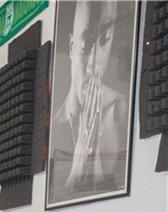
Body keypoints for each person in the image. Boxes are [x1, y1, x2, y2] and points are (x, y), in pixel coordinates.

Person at [49, 1, 128, 200]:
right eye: (85, 46)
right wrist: (79, 162)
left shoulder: (120, 110)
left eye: (105, 40)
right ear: (71, 47)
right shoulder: (56, 126)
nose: (94, 65)